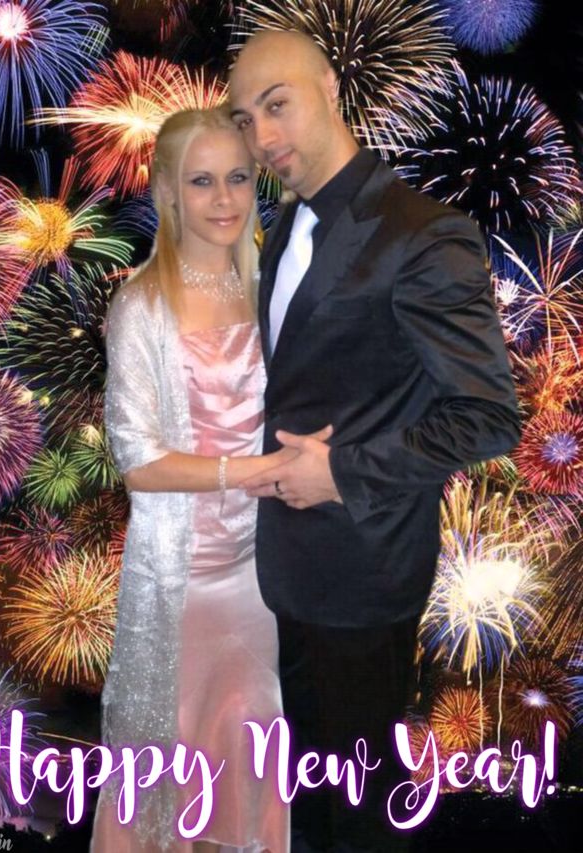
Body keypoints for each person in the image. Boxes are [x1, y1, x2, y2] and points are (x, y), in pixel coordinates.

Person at [228, 29, 522, 853]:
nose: (263, 137)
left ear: (330, 86)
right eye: (245, 120)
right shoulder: (286, 224)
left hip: (364, 575)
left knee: (362, 820)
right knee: (307, 807)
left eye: (277, 105)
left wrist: (342, 473)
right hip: (285, 569)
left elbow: (488, 415)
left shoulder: (423, 233)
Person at [90, 105, 298, 853]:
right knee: (170, 780)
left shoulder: (270, 292)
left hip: (258, 581)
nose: (223, 198)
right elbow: (139, 462)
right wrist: (257, 471)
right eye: (201, 181)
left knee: (247, 761)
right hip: (178, 585)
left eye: (237, 178)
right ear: (168, 193)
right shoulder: (141, 306)